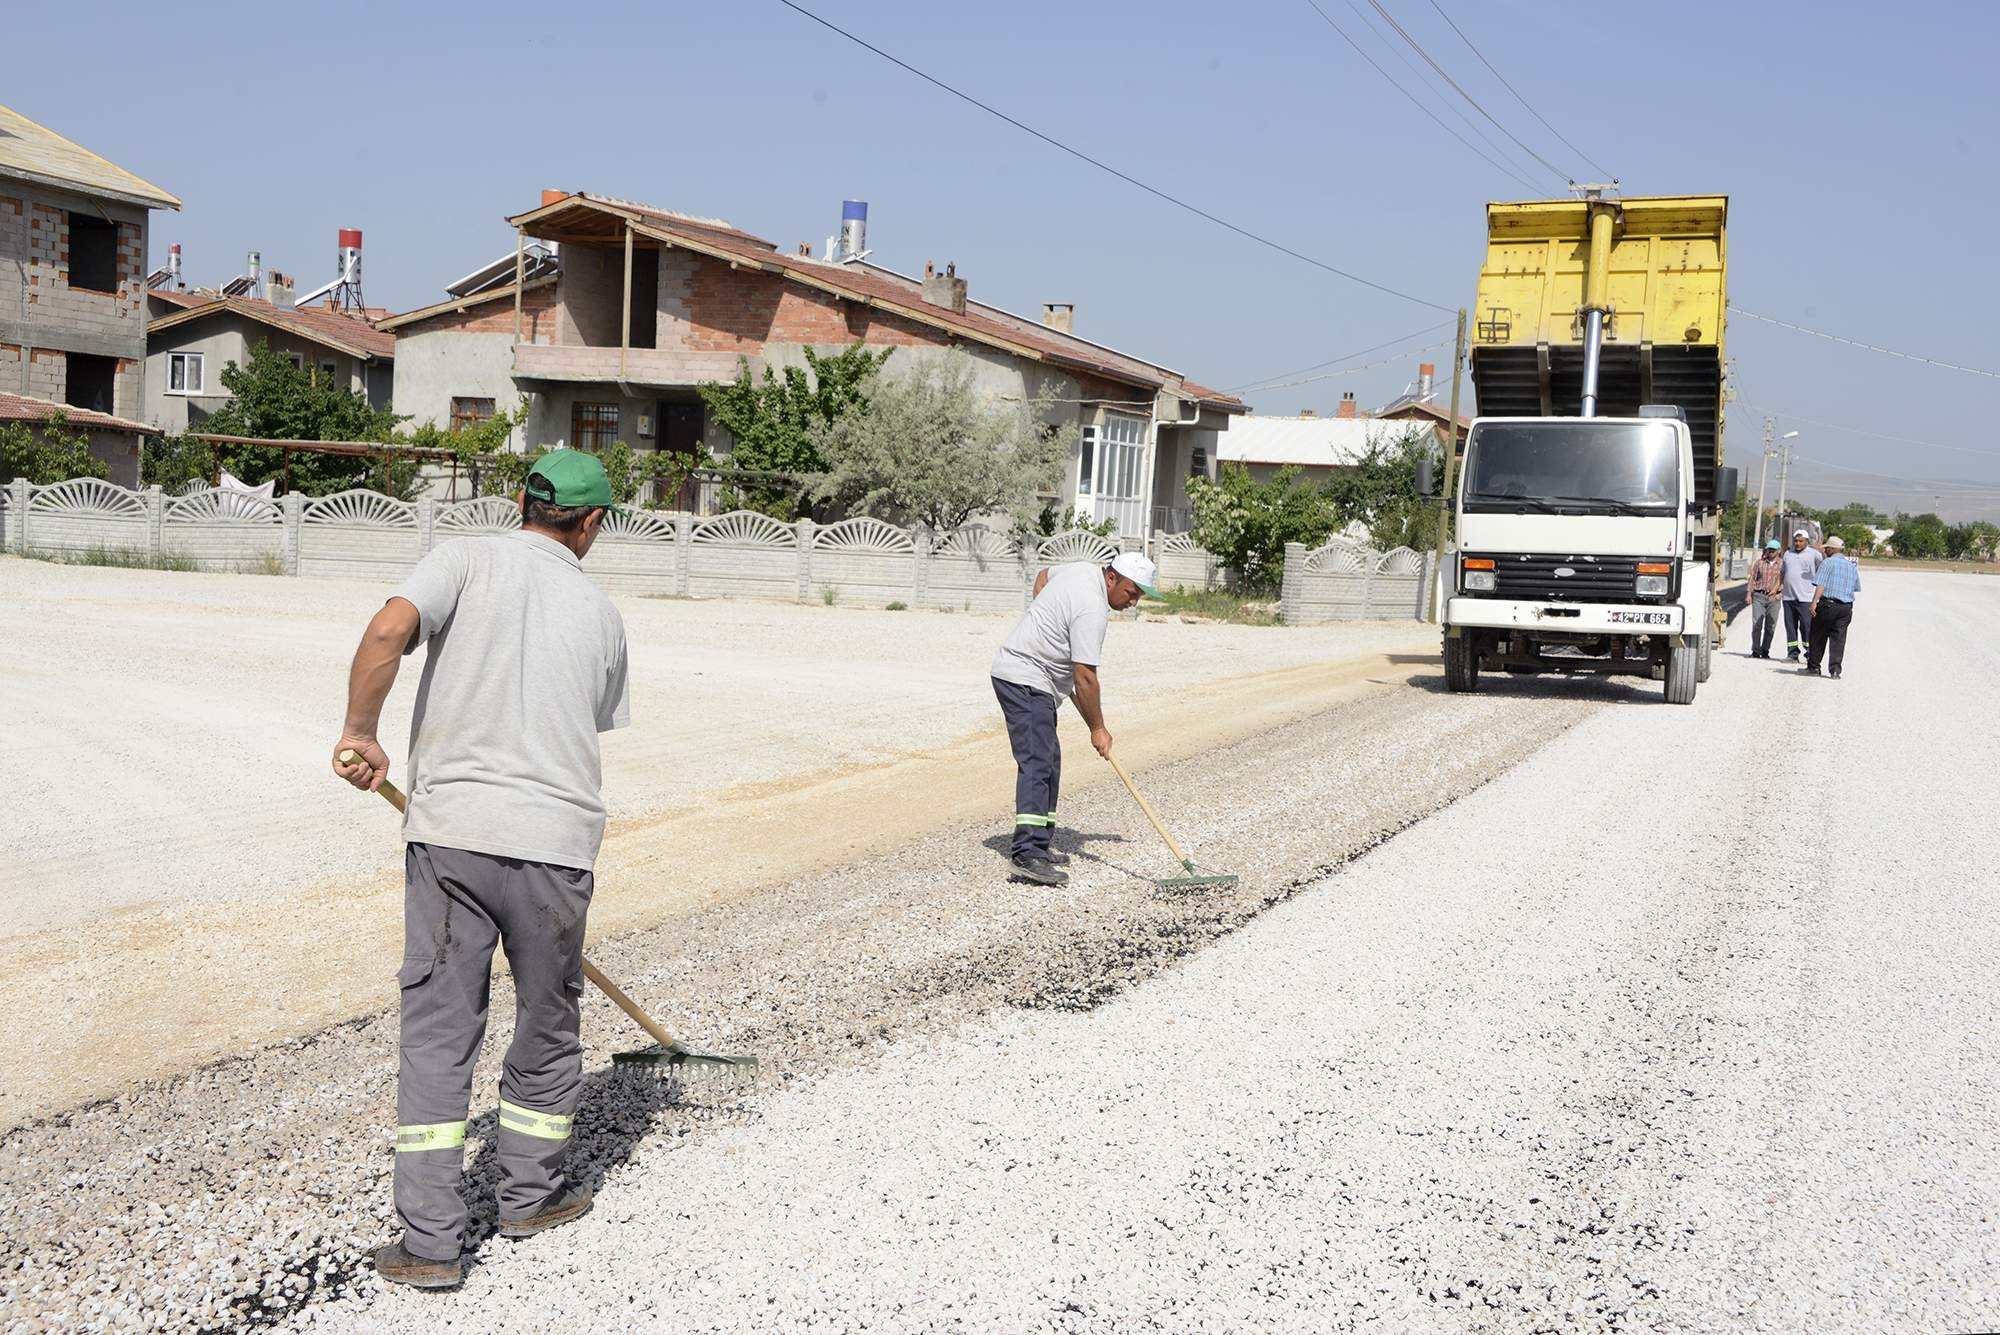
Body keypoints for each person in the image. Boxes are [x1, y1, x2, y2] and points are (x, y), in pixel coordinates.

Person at [331, 450, 631, 1290]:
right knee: (546, 1018)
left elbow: (389, 628)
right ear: (592, 523)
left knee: (439, 1028)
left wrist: (362, 728)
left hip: (454, 835)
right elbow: (584, 721)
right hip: (558, 844)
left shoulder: (464, 557)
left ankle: (430, 1244)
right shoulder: (602, 611)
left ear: (523, 505)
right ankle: (529, 1196)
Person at [990, 552, 1159, 886]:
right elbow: (1085, 678)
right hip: (1024, 676)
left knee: (1049, 759)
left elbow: (1043, 576)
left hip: (1032, 677)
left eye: (1139, 596)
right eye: (1132, 592)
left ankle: (1041, 841)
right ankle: (1027, 855)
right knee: (1038, 762)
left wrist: (1045, 618)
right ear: (1112, 578)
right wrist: (1098, 728)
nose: (1134, 602)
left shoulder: (1081, 570)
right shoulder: (1092, 609)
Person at [1805, 534, 1861, 678]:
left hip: (1827, 605)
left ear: (1831, 549)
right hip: (1845, 608)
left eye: (1826, 549)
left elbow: (1821, 584)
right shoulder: (1851, 566)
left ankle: (1814, 667)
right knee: (1839, 639)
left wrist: (1814, 602)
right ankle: (1835, 670)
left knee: (1818, 636)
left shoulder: (1827, 563)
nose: (1825, 551)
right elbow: (1855, 587)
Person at [1778, 529, 1822, 661]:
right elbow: (1783, 572)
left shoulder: (1814, 554)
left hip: (1806, 598)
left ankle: (1810, 653)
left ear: (1807, 542)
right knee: (1790, 626)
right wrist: (1779, 586)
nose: (1797, 543)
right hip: (1788, 597)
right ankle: (1792, 654)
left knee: (1806, 626)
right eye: (1796, 541)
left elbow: (1822, 571)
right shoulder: (1787, 554)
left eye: (1800, 541)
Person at [1747, 538, 1785, 658]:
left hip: (1774, 598)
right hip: (1759, 596)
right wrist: (1749, 594)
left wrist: (1779, 593)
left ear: (1779, 551)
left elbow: (1785, 580)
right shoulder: (1759, 563)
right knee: (1756, 624)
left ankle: (1765, 650)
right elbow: (1752, 578)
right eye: (1769, 550)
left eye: (1773, 550)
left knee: (1770, 626)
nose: (1771, 552)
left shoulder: (1783, 564)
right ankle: (1755, 650)